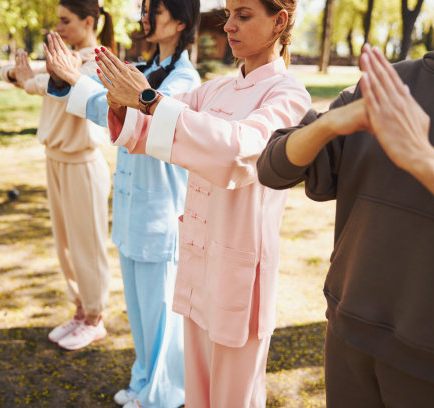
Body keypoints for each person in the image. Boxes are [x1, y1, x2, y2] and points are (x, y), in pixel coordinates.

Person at [257, 1, 434, 406]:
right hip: (348, 346)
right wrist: (331, 123)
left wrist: (423, 159)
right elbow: (272, 168)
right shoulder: (395, 83)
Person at [91, 0, 310, 405]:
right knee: (198, 394)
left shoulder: (289, 93)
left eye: (243, 15)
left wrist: (147, 99)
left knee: (233, 398)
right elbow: (145, 130)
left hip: (239, 272)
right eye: (228, 15)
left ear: (279, 21)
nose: (229, 26)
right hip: (197, 263)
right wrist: (120, 98)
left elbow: (242, 154)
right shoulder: (215, 89)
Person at [43, 1, 201, 407]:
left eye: (156, 11)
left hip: (160, 213)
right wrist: (70, 79)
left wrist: (80, 83)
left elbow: (143, 122)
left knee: (161, 314)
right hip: (133, 211)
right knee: (140, 314)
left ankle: (163, 395)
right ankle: (143, 380)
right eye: (145, 10)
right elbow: (103, 107)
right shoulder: (145, 72)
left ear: (181, 21)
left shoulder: (184, 78)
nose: (146, 18)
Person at [0, 0, 115, 351]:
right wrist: (17, 75)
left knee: (87, 245)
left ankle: (95, 318)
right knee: (64, 245)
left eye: (66, 21)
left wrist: (29, 80)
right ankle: (80, 310)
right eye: (58, 20)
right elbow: (12, 70)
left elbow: (59, 85)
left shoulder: (98, 62)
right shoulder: (60, 60)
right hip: (55, 158)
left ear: (89, 21)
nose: (59, 28)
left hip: (82, 162)